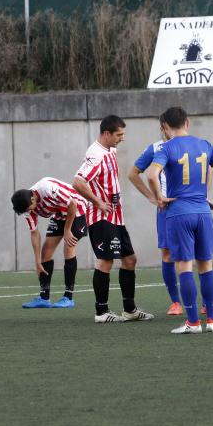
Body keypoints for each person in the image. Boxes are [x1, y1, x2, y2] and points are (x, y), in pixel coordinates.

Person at [147, 106, 213, 334]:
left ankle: (193, 323)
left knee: (184, 266)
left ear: (165, 127)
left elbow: (151, 174)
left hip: (179, 212)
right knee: (206, 266)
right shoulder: (204, 145)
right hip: (203, 213)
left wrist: (159, 197)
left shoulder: (166, 148)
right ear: (188, 122)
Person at [73, 115, 153, 323]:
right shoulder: (96, 154)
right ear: (106, 133)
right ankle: (101, 312)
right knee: (106, 260)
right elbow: (78, 182)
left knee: (129, 260)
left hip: (116, 217)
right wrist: (98, 201)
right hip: (101, 217)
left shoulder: (110, 150)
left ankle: (130, 310)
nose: (122, 138)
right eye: (119, 134)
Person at [127, 126, 182, 315]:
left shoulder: (192, 144)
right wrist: (152, 197)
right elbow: (133, 173)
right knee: (167, 254)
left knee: (195, 255)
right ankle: (176, 302)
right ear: (163, 128)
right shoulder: (155, 148)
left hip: (189, 205)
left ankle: (207, 303)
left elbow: (208, 169)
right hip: (166, 207)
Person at [11, 178, 89, 309]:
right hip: (59, 214)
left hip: (77, 209)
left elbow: (73, 204)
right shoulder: (26, 208)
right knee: (46, 251)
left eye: (28, 208)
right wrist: (37, 262)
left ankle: (68, 297)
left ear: (33, 199)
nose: (28, 211)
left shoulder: (47, 189)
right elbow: (34, 234)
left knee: (68, 246)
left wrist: (67, 230)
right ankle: (44, 297)